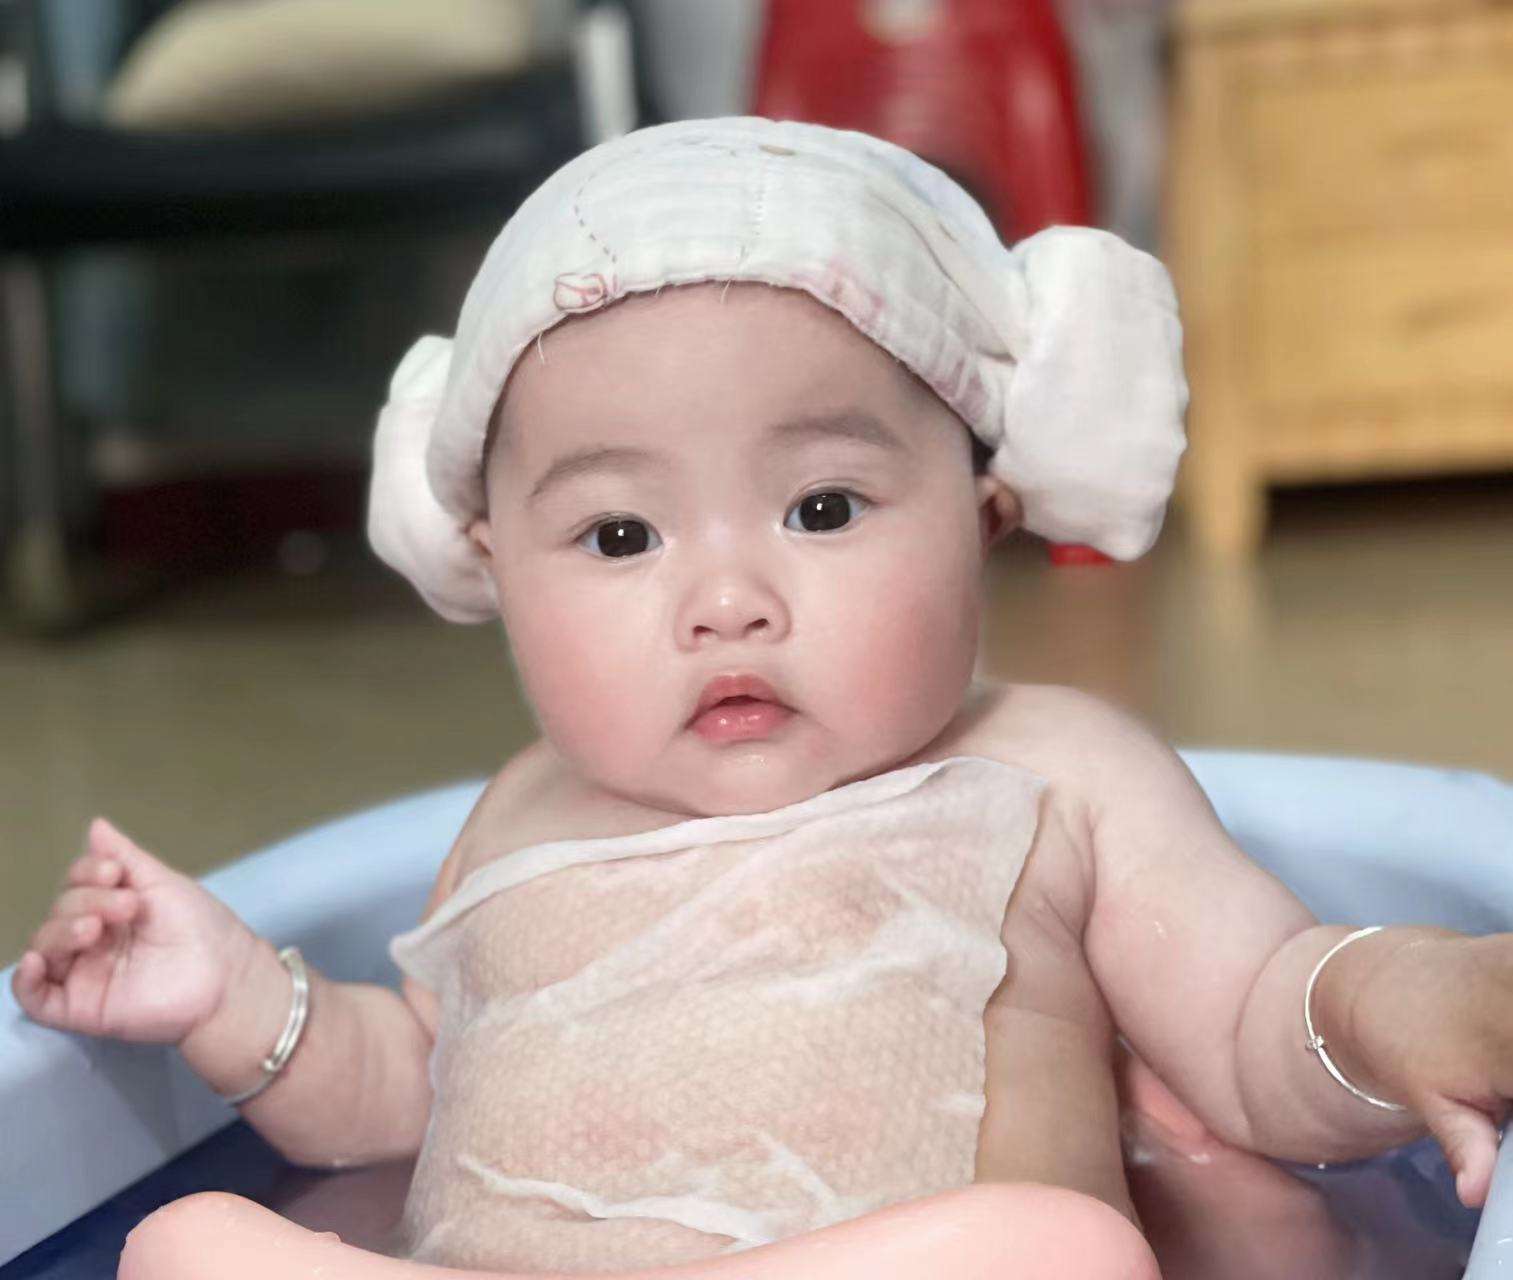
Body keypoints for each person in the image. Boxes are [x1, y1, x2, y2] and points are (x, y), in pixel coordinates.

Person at [13, 117, 1512, 1280]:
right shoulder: (523, 811)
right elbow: (406, 1090)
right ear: (495, 567)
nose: (725, 599)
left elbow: (1249, 1023)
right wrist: (235, 1000)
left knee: (1050, 1251)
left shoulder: (1057, 769)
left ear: (982, 515)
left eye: (821, 508)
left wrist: (1395, 1001)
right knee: (191, 1243)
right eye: (619, 536)